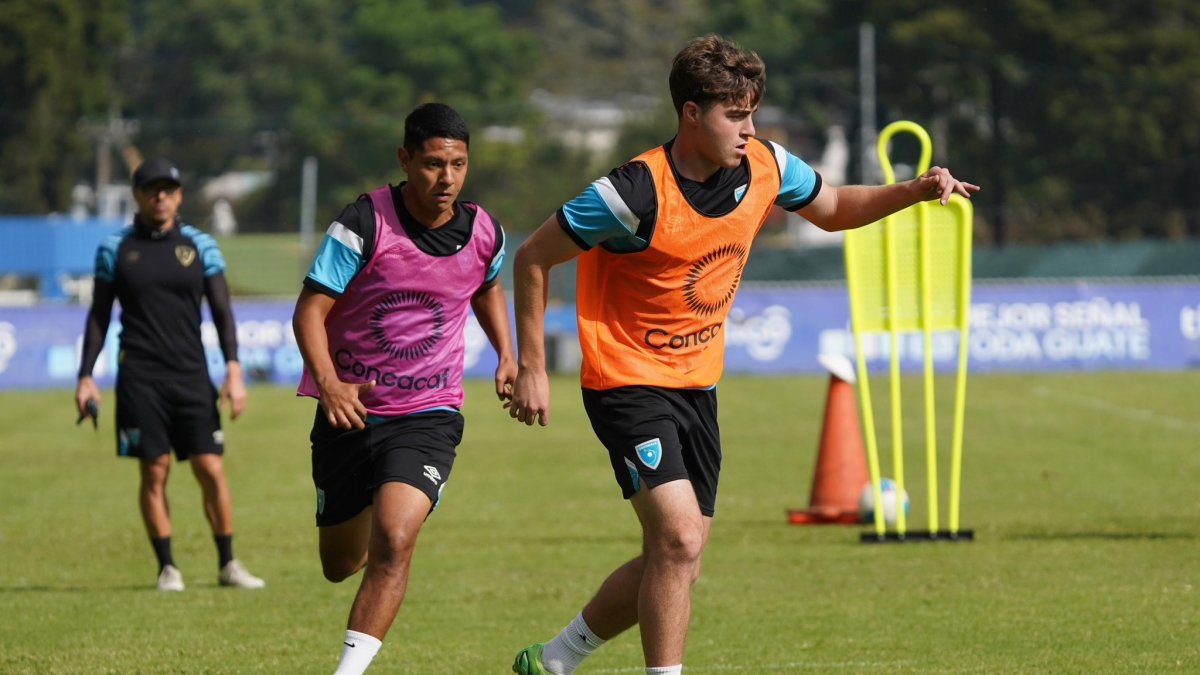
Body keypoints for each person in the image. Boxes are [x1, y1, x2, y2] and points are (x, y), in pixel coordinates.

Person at [507, 35, 979, 675]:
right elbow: (534, 257)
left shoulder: (767, 165)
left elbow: (835, 208)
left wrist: (916, 191)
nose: (748, 127)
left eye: (752, 112)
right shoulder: (632, 192)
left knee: (681, 556)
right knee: (675, 539)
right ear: (692, 114)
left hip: (698, 384)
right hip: (625, 380)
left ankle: (556, 659)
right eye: (735, 113)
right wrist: (533, 365)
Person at [292, 102, 517, 675]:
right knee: (340, 563)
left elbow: (487, 283)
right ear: (405, 159)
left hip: (429, 413)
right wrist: (330, 385)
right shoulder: (365, 222)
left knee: (395, 537)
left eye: (458, 165)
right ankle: (377, 498)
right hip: (352, 413)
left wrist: (508, 355)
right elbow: (310, 310)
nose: (446, 179)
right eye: (433, 164)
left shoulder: (484, 229)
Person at [75, 158, 265, 592]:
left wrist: (234, 371)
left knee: (210, 468)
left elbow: (222, 312)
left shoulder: (201, 246)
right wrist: (85, 376)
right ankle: (168, 568)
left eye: (168, 189)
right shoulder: (114, 249)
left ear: (179, 196)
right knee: (154, 470)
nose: (160, 196)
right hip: (139, 377)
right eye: (151, 189)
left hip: (192, 376)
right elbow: (98, 317)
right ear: (138, 195)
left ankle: (228, 564)